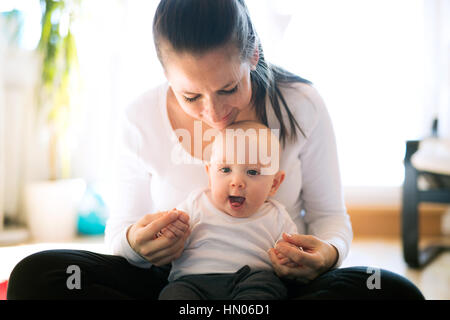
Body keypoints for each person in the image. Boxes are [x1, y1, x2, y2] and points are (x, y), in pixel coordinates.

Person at [7, 0, 424, 300]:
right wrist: (137, 245)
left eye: (229, 88)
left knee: (393, 293)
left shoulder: (301, 104)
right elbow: (120, 233)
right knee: (37, 276)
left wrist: (328, 254)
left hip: (271, 286)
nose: (215, 113)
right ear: (166, 75)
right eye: (191, 96)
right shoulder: (139, 118)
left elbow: (330, 218)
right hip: (175, 284)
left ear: (253, 57)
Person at [158, 120, 298, 300]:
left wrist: (290, 259)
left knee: (267, 288)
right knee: (172, 294)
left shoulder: (277, 216)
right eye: (225, 169)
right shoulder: (195, 204)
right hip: (192, 281)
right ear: (209, 174)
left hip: (251, 279)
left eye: (253, 172)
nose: (237, 182)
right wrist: (169, 232)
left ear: (275, 183)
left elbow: (293, 252)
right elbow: (169, 232)